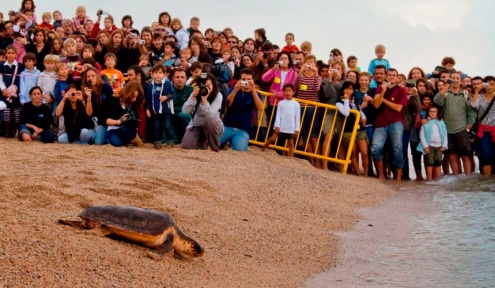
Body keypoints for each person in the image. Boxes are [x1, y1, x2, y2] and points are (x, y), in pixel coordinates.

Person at [434, 71, 476, 175]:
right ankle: (457, 179)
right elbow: (437, 101)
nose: (455, 79)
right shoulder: (445, 93)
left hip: (462, 130)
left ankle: (466, 179)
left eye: (457, 78)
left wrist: (468, 128)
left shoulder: (465, 94)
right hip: (447, 131)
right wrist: (446, 85)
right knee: (452, 156)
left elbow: (472, 113)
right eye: (453, 78)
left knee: (465, 156)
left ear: (461, 81)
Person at [370, 68, 408, 181]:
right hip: (381, 123)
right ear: (386, 76)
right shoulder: (379, 88)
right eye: (390, 75)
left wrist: (384, 100)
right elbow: (376, 105)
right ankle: (381, 175)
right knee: (375, 149)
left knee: (398, 148)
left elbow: (398, 108)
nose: (391, 77)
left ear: (397, 77)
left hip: (396, 121)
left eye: (394, 75)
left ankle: (398, 177)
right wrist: (382, 92)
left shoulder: (401, 90)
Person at [220, 68, 263, 151]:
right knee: (213, 144)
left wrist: (253, 91)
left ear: (253, 80)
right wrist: (235, 90)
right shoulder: (233, 89)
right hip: (227, 126)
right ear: (239, 80)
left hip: (243, 130)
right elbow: (227, 104)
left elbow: (260, 108)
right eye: (243, 79)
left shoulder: (257, 94)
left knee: (240, 151)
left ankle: (229, 143)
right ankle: (225, 143)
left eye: (249, 79)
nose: (246, 81)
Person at [181, 72, 224, 151]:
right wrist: (193, 97)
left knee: (209, 120)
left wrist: (204, 100)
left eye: (208, 86)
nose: (205, 88)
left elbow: (211, 115)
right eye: (203, 86)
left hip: (213, 125)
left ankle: (215, 146)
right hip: (197, 125)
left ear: (213, 85)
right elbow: (185, 111)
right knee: (186, 145)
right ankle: (202, 142)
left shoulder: (218, 95)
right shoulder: (195, 93)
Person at [261, 51, 297, 134]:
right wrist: (273, 69)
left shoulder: (294, 74)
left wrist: (278, 94)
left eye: (285, 58)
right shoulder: (276, 71)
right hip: (273, 102)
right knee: (272, 122)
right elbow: (264, 78)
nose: (283, 60)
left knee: (282, 125)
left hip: (285, 103)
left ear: (289, 61)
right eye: (281, 58)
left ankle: (279, 144)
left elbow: (293, 90)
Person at [262, 83, 300, 157]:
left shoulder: (296, 104)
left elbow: (297, 117)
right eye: (286, 91)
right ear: (283, 92)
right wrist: (277, 125)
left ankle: (291, 158)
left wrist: (297, 128)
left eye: (289, 91)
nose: (287, 92)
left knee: (291, 143)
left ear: (293, 92)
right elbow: (278, 115)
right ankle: (262, 149)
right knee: (272, 139)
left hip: (291, 127)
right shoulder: (281, 103)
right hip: (281, 126)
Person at [145, 64, 176, 149]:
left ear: (164, 74)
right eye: (155, 72)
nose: (158, 74)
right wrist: (147, 108)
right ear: (152, 74)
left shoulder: (167, 84)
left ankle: (170, 141)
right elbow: (148, 99)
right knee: (156, 126)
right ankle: (157, 142)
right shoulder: (150, 86)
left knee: (167, 126)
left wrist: (166, 97)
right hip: (155, 110)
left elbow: (173, 94)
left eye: (160, 72)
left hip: (166, 110)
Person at [81, 67, 113, 145]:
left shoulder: (105, 87)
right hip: (92, 121)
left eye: (93, 76)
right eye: (88, 77)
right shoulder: (86, 90)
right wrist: (88, 98)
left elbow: (112, 105)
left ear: (97, 76)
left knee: (98, 142)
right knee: (84, 134)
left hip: (104, 121)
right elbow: (89, 113)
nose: (90, 78)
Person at [106, 81, 144, 147]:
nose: (134, 99)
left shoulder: (134, 104)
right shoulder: (113, 100)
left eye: (136, 97)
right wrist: (119, 121)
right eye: (133, 97)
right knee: (117, 143)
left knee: (126, 130)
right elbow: (107, 120)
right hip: (113, 128)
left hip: (127, 129)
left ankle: (132, 139)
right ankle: (129, 140)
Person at [470, 76, 495, 176]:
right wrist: (477, 91)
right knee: (485, 155)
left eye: (492, 84)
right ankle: (486, 181)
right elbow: (474, 105)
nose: (490, 86)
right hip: (483, 131)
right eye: (487, 84)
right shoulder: (480, 97)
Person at [417, 106, 448, 181]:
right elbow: (422, 135)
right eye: (431, 111)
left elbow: (445, 133)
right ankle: (430, 179)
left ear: (437, 113)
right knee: (429, 163)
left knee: (438, 162)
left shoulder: (441, 122)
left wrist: (444, 145)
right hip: (429, 146)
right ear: (428, 112)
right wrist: (425, 146)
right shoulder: (425, 122)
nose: (433, 113)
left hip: (439, 146)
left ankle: (438, 179)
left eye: (435, 112)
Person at [0, 45, 25, 137]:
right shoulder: (1, 66)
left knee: (16, 111)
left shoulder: (20, 66)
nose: (10, 55)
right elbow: (0, 79)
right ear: (6, 54)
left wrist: (16, 88)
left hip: (16, 93)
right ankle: (7, 131)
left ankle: (18, 131)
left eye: (12, 53)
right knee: (6, 110)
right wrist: (3, 89)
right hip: (5, 93)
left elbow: (22, 79)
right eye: (9, 53)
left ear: (16, 55)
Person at [171, 67, 194, 142]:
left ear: (186, 78)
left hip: (185, 117)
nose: (180, 79)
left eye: (182, 77)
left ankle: (191, 138)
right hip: (170, 118)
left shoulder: (191, 90)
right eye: (177, 77)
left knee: (184, 115)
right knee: (167, 141)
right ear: (173, 78)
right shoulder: (167, 90)